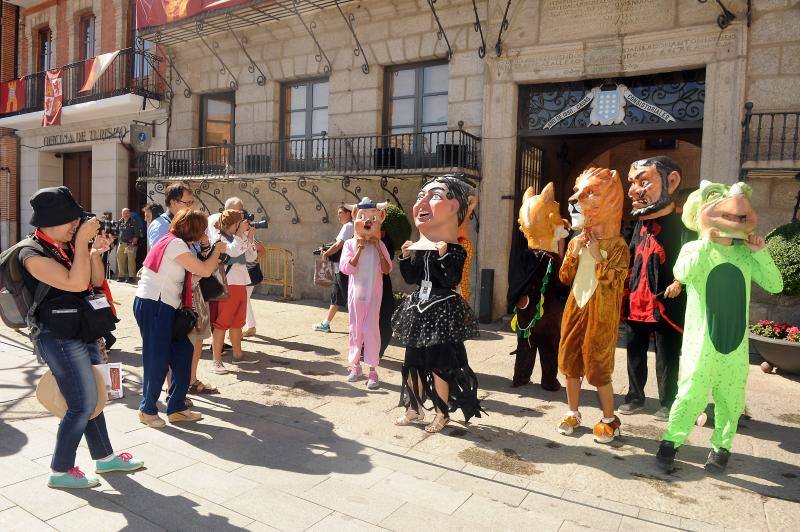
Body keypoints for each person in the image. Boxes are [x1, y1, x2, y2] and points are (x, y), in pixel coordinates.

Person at [19, 186, 143, 489]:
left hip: (83, 327)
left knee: (94, 396)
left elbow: (95, 281)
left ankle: (104, 457)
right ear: (51, 221)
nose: (76, 226)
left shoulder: (68, 245)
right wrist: (82, 240)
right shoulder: (30, 253)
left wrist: (95, 253)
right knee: (81, 403)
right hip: (56, 336)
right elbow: (75, 283)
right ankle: (60, 470)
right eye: (72, 222)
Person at [656, 181, 783, 473]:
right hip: (701, 344)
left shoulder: (746, 255)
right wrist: (704, 241)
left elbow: (775, 285)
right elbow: (682, 273)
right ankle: (670, 443)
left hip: (734, 347)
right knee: (690, 395)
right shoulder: (694, 248)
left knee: (731, 400)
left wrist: (761, 252)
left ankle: (721, 447)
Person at [392, 175, 482, 433]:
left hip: (442, 311)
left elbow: (450, 279)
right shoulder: (422, 247)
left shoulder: (456, 249)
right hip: (419, 308)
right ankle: (414, 407)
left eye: (433, 196)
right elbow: (412, 279)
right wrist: (406, 257)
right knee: (412, 361)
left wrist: (443, 255)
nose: (422, 201)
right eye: (421, 196)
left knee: (439, 365)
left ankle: (442, 413)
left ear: (454, 207)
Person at [556, 168, 629, 444]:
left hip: (602, 313)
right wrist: (573, 255)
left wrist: (598, 255)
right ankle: (573, 412)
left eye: (589, 194)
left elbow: (614, 281)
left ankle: (610, 419)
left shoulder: (619, 244)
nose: (576, 199)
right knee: (570, 363)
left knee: (599, 368)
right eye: (578, 193)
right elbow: (564, 277)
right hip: (576, 306)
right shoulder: (576, 240)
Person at [134, 208, 224, 428]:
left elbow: (194, 272)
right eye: (201, 229)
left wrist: (205, 246)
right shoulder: (174, 243)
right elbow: (203, 270)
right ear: (193, 229)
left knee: (183, 352)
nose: (204, 232)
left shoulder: (177, 243)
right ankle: (147, 410)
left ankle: (176, 408)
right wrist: (217, 250)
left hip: (167, 306)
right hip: (155, 304)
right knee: (157, 359)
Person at [621, 157, 694, 420]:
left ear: (671, 182)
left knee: (668, 355)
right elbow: (628, 257)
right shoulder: (639, 223)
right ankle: (635, 395)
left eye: (642, 182)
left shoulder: (685, 226)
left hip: (667, 303)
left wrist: (680, 282)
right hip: (637, 301)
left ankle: (668, 400)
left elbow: (692, 260)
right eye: (632, 183)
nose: (631, 191)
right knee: (634, 351)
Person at [506, 183, 569, 390]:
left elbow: (515, 281)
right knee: (548, 345)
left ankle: (522, 377)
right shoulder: (550, 259)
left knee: (526, 343)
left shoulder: (524, 256)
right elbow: (561, 279)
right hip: (548, 312)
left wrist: (518, 299)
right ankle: (548, 380)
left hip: (529, 311)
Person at [339, 198, 393, 389]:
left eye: (372, 217)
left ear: (380, 218)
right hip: (356, 295)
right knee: (355, 329)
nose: (367, 222)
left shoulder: (381, 245)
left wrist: (378, 247)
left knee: (371, 331)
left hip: (374, 295)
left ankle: (372, 370)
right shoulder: (350, 244)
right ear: (355, 218)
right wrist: (360, 249)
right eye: (363, 217)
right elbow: (346, 269)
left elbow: (387, 269)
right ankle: (354, 366)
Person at [210, 209, 258, 374]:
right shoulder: (219, 238)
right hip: (227, 285)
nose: (243, 224)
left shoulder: (238, 237)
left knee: (238, 321)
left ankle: (238, 354)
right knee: (222, 322)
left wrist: (249, 237)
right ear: (233, 224)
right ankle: (216, 360)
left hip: (241, 283)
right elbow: (233, 251)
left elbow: (251, 257)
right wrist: (240, 235)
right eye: (240, 222)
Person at [312, 205, 353, 332]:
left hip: (343, 267)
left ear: (349, 213)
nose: (338, 215)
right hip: (340, 266)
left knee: (348, 296)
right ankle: (326, 323)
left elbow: (338, 244)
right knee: (336, 295)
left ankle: (358, 325)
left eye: (341, 213)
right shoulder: (349, 226)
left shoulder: (349, 226)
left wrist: (326, 253)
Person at [116, 208, 142, 283]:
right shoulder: (120, 222)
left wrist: (132, 244)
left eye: (127, 213)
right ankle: (121, 276)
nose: (126, 215)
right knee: (120, 260)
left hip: (130, 244)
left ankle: (131, 277)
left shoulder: (134, 221)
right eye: (124, 213)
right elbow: (117, 232)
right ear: (122, 214)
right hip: (121, 244)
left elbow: (136, 235)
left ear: (129, 214)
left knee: (131, 261)